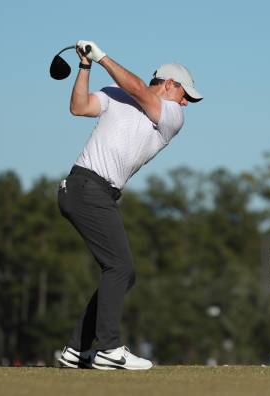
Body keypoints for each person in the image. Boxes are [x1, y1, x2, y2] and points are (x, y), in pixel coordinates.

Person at [56, 40, 202, 370]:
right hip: (85, 186)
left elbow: (137, 88)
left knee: (123, 271)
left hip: (96, 193)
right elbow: (79, 107)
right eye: (185, 95)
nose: (186, 103)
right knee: (120, 268)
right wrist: (86, 66)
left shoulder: (172, 117)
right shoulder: (116, 93)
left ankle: (76, 349)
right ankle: (108, 348)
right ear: (169, 84)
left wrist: (101, 56)